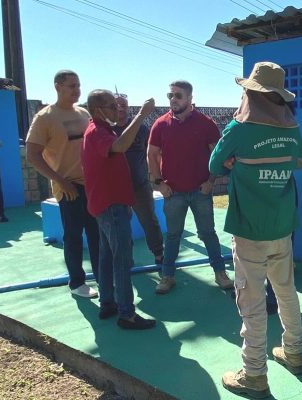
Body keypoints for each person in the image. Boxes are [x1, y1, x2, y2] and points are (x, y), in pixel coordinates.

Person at [209, 61, 302, 399]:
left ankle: (253, 374)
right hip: (282, 224)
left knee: (251, 301)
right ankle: (293, 352)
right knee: (286, 290)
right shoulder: (291, 127)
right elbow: (299, 162)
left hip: (250, 229)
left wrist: (238, 162)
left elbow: (213, 164)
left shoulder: (239, 129)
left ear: (250, 92)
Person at [147, 80, 233, 294]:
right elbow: (151, 154)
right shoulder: (160, 124)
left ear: (190, 98)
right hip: (173, 192)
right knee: (173, 236)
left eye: (178, 95)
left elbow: (218, 155)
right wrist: (159, 183)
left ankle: (220, 273)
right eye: (170, 95)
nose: (173, 100)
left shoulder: (206, 123)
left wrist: (210, 182)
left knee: (208, 233)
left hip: (200, 191)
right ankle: (167, 277)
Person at [82, 89, 156, 330]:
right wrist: (143, 114)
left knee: (106, 258)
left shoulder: (101, 130)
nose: (117, 110)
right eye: (112, 107)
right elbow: (121, 145)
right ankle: (127, 313)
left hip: (107, 204)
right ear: (97, 110)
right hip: (111, 205)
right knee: (122, 259)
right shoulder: (97, 133)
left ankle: (108, 302)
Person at [26, 70, 99, 299]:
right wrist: (60, 180)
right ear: (57, 86)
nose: (77, 90)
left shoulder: (84, 113)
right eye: (71, 86)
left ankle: (102, 277)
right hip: (68, 187)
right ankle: (77, 283)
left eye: (78, 86)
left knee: (97, 234)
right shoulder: (45, 117)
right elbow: (33, 155)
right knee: (74, 235)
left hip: (92, 185)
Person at [112, 92, 164, 264]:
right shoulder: (107, 130)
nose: (120, 108)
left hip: (140, 185)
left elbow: (153, 152)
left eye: (124, 105)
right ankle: (127, 258)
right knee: (121, 225)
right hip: (116, 188)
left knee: (149, 220)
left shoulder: (141, 128)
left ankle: (158, 254)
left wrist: (157, 176)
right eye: (116, 105)